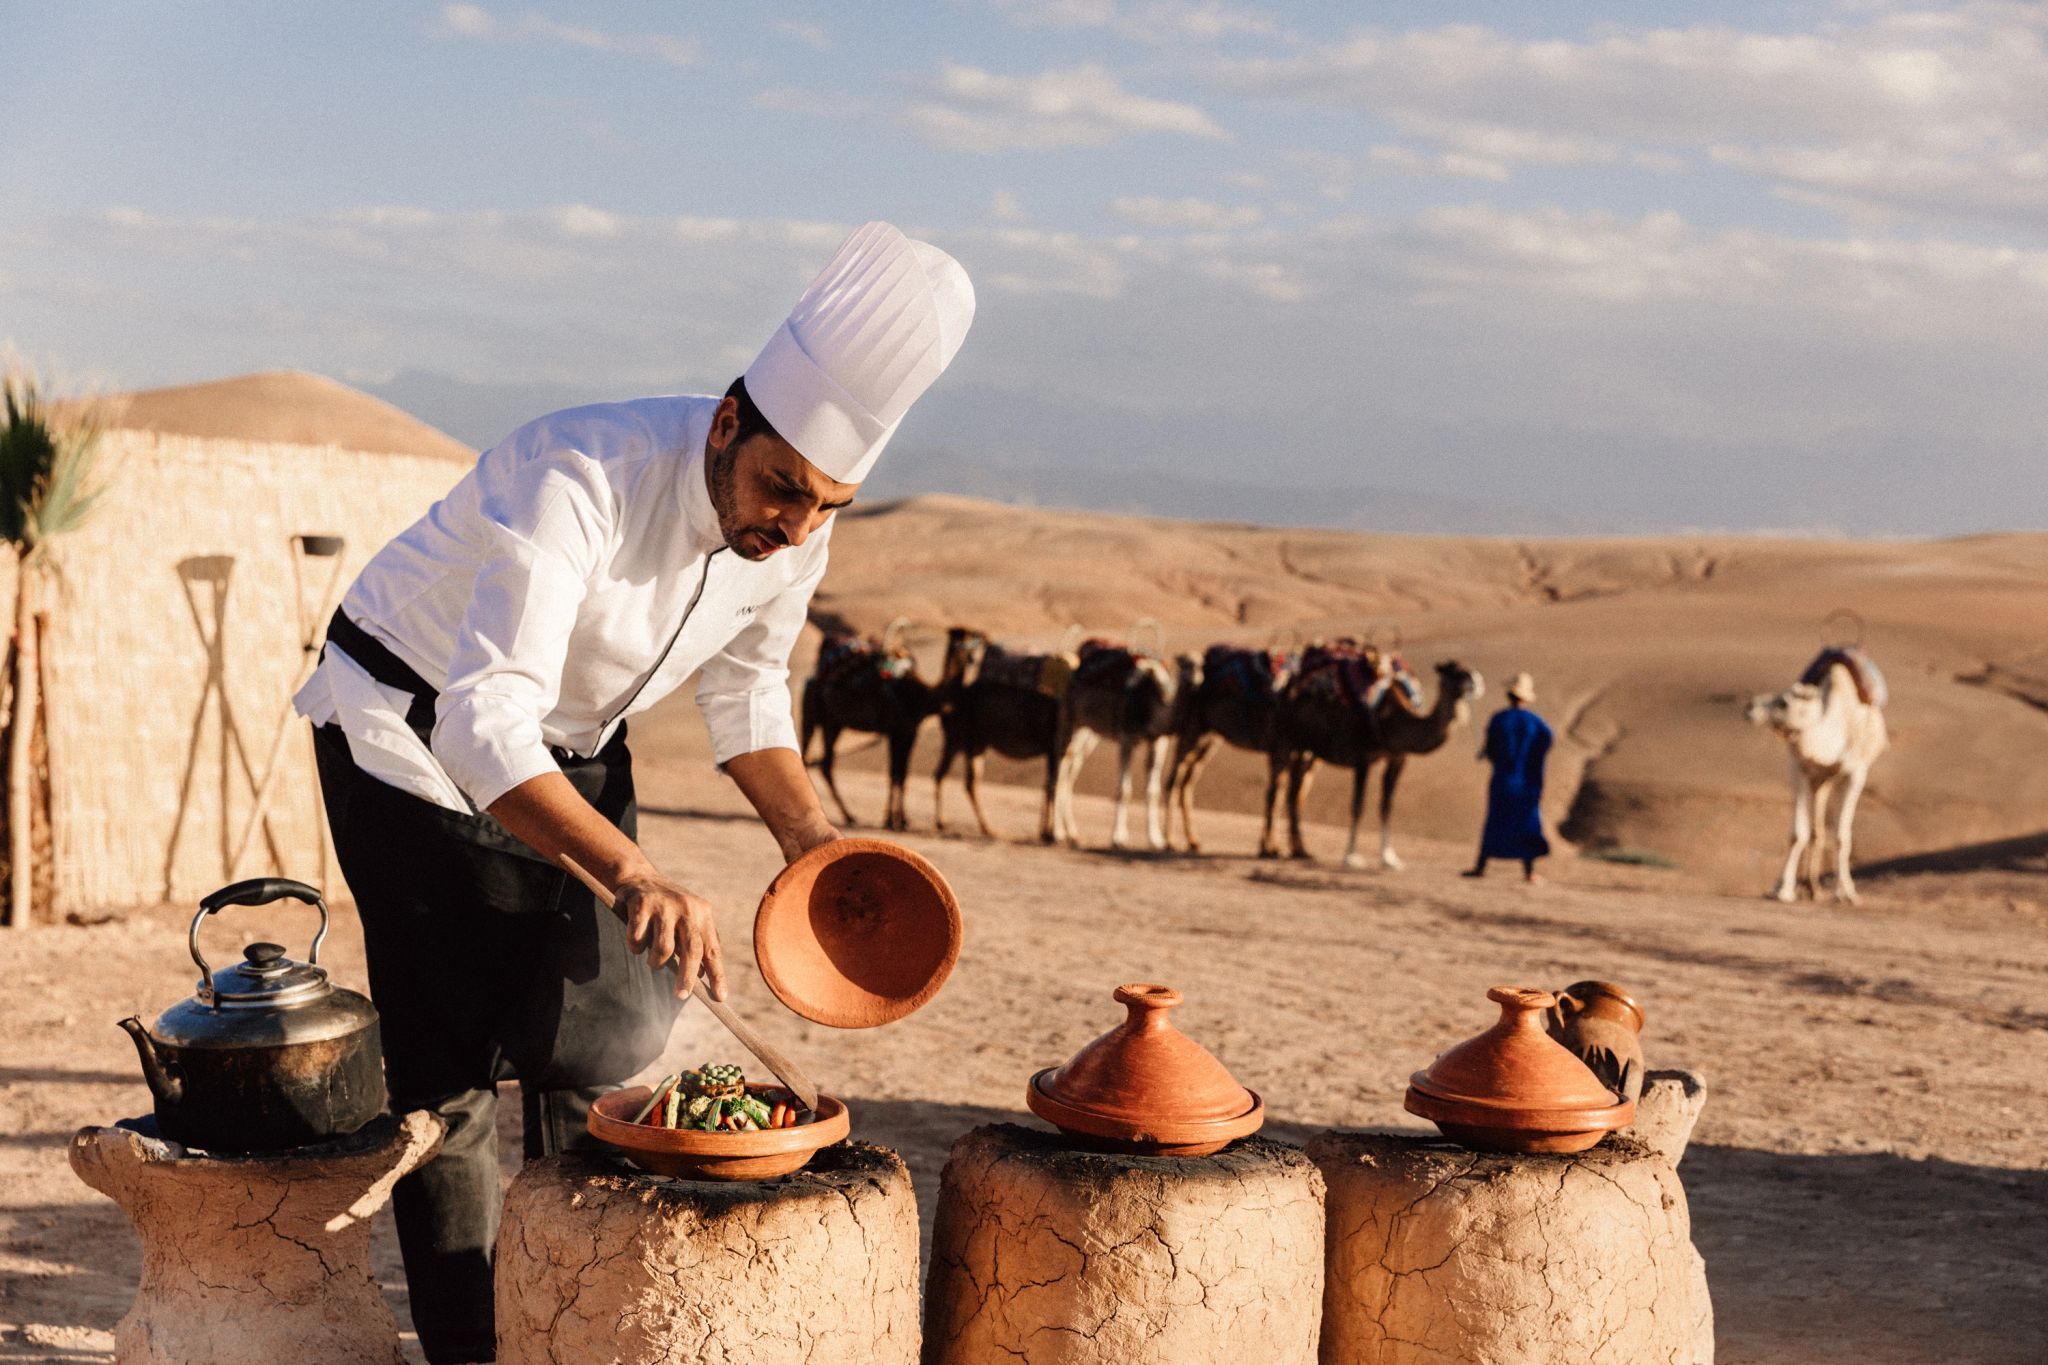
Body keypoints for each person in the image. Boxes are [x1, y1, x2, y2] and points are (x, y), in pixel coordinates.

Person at [293, 222, 974, 1364]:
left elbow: (747, 691)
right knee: (454, 1071)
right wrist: (632, 868)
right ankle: (474, 1346)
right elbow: (482, 720)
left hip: (568, 740)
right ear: (727, 423)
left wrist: (811, 840)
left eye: (830, 507)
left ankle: (576, 1315)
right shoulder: (579, 476)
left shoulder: (794, 530)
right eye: (784, 489)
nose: (796, 527)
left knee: (601, 1043)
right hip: (406, 726)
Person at [1465, 672, 1552, 883]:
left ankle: (1480, 867)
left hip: (1503, 780)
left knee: (1495, 821)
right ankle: (1529, 872)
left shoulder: (1499, 720)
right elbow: (1546, 744)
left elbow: (1491, 750)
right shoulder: (1536, 724)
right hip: (1528, 782)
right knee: (1527, 823)